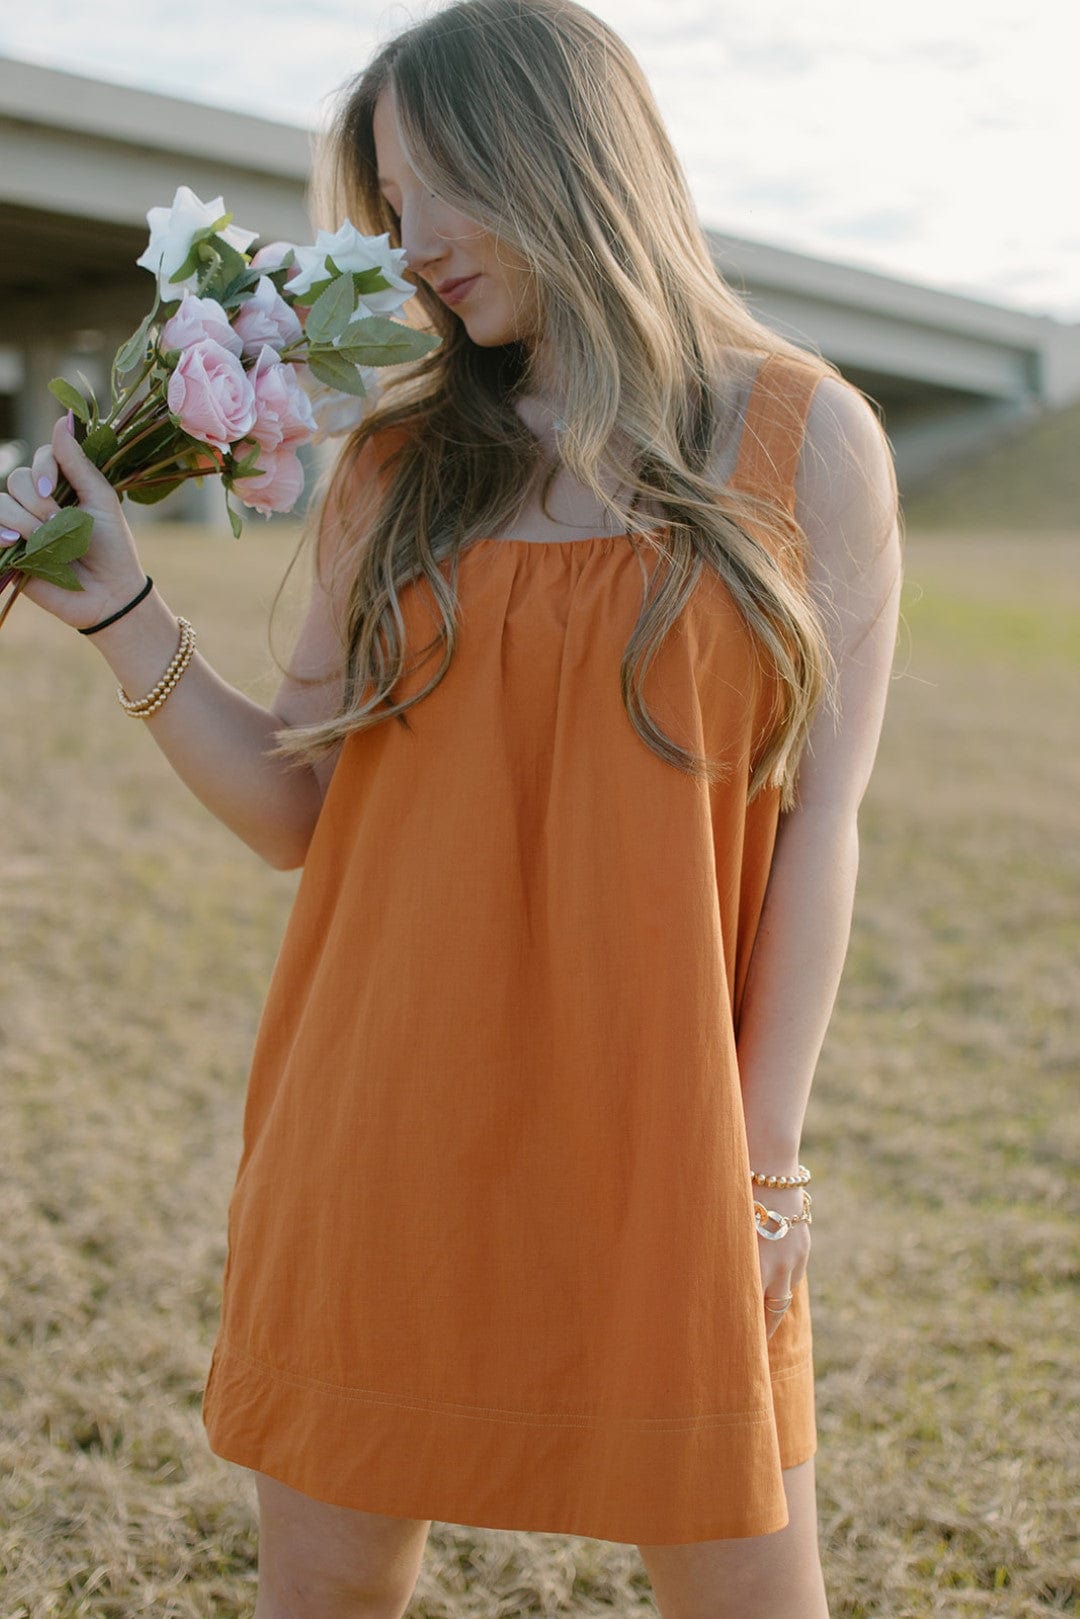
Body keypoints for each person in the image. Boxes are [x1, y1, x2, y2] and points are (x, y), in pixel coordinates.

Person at [0, 0, 902, 1613]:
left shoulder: (806, 439)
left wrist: (761, 1162)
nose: (407, 246)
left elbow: (823, 823)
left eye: (435, 191)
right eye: (389, 204)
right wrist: (122, 610)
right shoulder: (398, 461)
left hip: (672, 1144)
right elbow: (298, 813)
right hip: (383, 1124)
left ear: (564, 154)